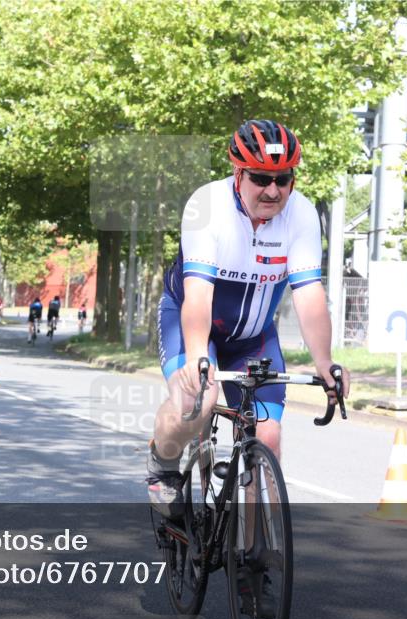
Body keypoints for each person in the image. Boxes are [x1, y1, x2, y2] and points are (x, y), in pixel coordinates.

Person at [147, 119, 351, 516]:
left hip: (253, 335)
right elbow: (199, 294)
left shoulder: (303, 215)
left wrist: (325, 364)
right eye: (260, 178)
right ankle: (162, 463)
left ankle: (253, 560)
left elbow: (309, 295)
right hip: (191, 316)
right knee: (197, 401)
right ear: (238, 173)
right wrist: (195, 359)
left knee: (268, 438)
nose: (273, 190)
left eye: (283, 178)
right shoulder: (208, 207)